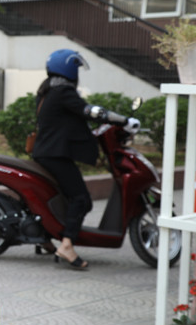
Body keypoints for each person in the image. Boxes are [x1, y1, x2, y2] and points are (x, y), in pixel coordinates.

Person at [32, 49, 140, 270]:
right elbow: (89, 111)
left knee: (60, 196)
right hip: (54, 155)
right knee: (81, 199)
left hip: (46, 153)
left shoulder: (47, 90)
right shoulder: (63, 91)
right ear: (70, 68)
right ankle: (67, 244)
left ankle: (45, 238)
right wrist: (123, 120)